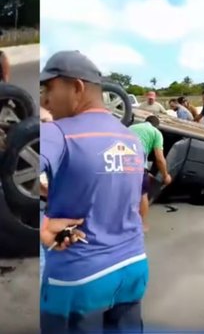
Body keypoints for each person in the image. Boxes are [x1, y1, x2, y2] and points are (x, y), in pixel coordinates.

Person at [39, 50, 148, 334]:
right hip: (133, 265)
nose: (44, 99)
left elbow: (14, 169)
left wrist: (42, 227)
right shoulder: (132, 138)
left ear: (76, 87)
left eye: (48, 88)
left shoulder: (57, 133)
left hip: (80, 275)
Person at [129, 115, 172, 231]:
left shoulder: (131, 127)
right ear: (156, 125)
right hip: (137, 165)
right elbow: (159, 158)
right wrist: (165, 175)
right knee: (143, 194)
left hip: (119, 162)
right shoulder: (156, 132)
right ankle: (141, 224)